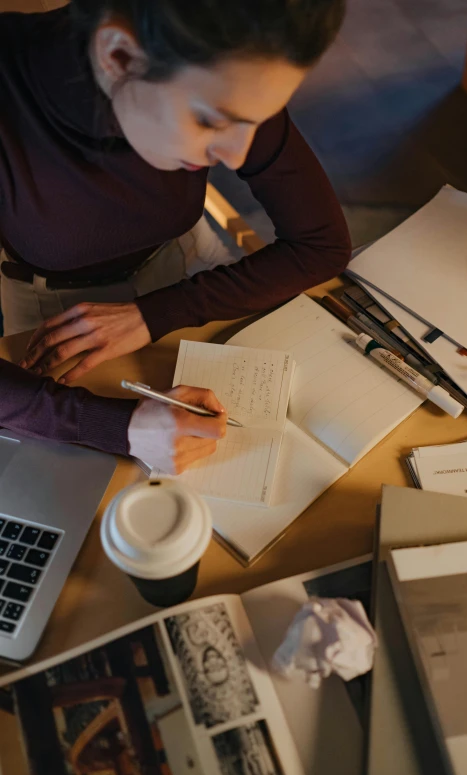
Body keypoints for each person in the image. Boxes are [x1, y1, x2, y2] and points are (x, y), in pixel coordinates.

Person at [0, 0, 350, 473]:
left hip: (179, 260)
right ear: (119, 56)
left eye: (258, 120)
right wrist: (118, 427)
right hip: (50, 308)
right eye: (211, 120)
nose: (237, 155)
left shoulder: (233, 59)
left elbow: (321, 244)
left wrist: (154, 313)